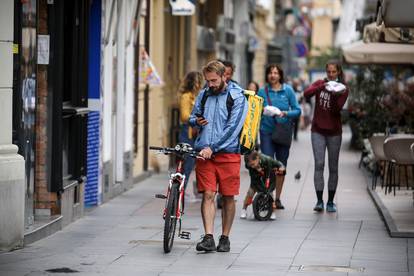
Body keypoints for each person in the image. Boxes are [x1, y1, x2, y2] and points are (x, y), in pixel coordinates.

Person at [189, 60, 247, 252]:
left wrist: (213, 147)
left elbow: (233, 129)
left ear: (225, 76)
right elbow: (192, 116)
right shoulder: (204, 94)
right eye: (208, 81)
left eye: (214, 80)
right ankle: (208, 237)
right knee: (207, 194)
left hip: (228, 154)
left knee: (228, 196)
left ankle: (225, 237)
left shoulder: (237, 97)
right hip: (205, 153)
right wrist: (195, 120)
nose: (211, 85)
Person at [303, 60, 349, 213]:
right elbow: (306, 94)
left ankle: (330, 201)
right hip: (317, 130)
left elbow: (336, 110)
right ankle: (319, 201)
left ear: (338, 72)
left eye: (333, 72)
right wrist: (323, 86)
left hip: (334, 132)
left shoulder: (343, 89)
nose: (330, 74)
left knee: (333, 167)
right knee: (319, 164)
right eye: (328, 71)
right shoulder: (319, 83)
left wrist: (335, 94)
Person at [257, 64, 301, 212]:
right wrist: (262, 110)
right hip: (266, 132)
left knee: (281, 166)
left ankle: (278, 198)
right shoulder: (262, 91)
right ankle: (267, 196)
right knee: (267, 164)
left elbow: (297, 110)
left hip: (282, 132)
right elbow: (255, 110)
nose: (273, 75)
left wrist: (285, 114)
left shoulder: (288, 90)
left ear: (280, 75)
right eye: (270, 73)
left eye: (275, 73)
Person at [178, 71, 204, 197]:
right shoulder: (186, 96)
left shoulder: (199, 96)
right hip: (187, 133)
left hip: (196, 133)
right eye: (198, 81)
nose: (200, 84)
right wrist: (196, 120)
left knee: (194, 163)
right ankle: (180, 191)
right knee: (187, 164)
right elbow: (184, 116)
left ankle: (184, 189)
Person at [240, 151, 285, 220]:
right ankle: (244, 209)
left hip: (268, 177)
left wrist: (281, 167)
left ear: (257, 158)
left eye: (253, 164)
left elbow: (278, 163)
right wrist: (256, 169)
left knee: (270, 194)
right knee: (250, 193)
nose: (252, 166)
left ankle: (272, 212)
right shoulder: (249, 165)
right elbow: (253, 177)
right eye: (250, 165)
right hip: (256, 179)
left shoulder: (267, 160)